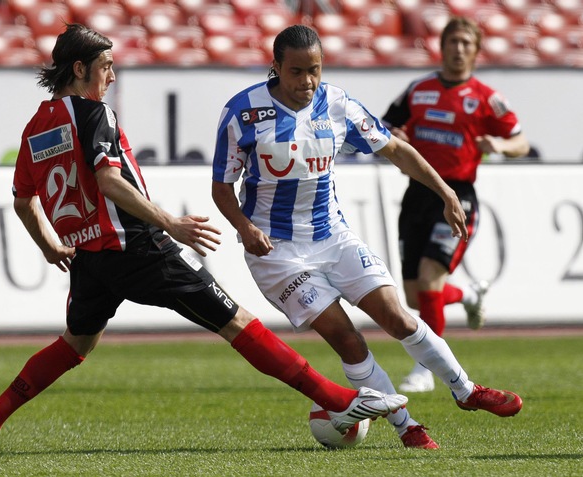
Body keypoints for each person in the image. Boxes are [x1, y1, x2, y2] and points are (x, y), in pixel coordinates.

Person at [0, 24, 409, 453]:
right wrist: (170, 223)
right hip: (137, 247)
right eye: (106, 66)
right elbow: (109, 182)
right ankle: (337, 397)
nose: (112, 76)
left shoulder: (34, 128)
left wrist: (49, 245)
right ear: (79, 69)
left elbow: (23, 200)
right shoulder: (94, 114)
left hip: (90, 257)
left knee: (74, 345)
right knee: (235, 321)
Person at [211, 24, 523, 450]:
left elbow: (394, 149)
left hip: (333, 237)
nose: (307, 82)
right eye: (296, 72)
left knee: (397, 316)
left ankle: (465, 390)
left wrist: (446, 191)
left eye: (315, 70)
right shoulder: (244, 111)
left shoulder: (337, 104)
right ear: (276, 68)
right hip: (278, 253)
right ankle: (407, 426)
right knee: (345, 336)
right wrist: (245, 228)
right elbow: (222, 186)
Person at [381, 17, 530, 393]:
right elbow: (384, 128)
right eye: (453, 42)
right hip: (417, 195)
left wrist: (501, 146)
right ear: (442, 46)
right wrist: (394, 136)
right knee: (416, 295)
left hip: (458, 196)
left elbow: (521, 142)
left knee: (431, 277)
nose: (459, 49)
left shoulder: (486, 98)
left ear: (476, 52)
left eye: (467, 43)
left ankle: (423, 369)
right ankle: (469, 295)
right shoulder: (419, 90)